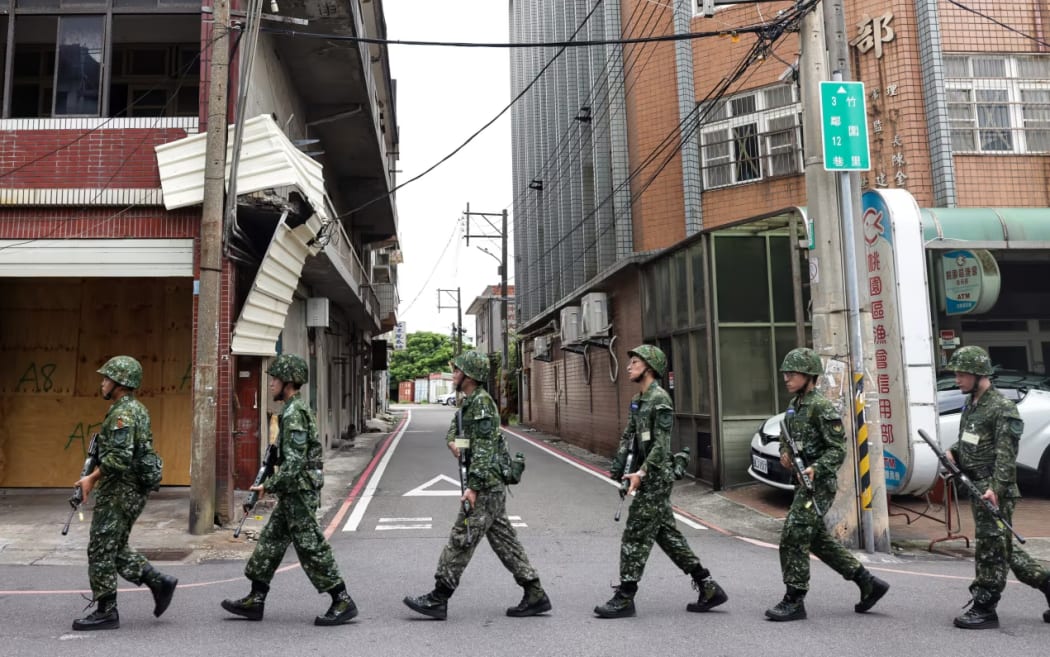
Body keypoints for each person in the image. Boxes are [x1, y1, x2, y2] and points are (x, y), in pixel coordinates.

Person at [403, 350, 551, 620]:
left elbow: (482, 451)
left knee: (462, 537)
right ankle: (535, 593)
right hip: (488, 483)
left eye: (458, 370)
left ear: (469, 375)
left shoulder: (482, 405)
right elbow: (456, 433)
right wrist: (455, 444)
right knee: (505, 541)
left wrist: (472, 487)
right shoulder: (469, 403)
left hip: (485, 484)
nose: (454, 374)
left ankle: (439, 597)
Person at [221, 353, 357, 626]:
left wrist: (266, 487)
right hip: (291, 493)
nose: (271, 383)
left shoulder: (295, 413)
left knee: (310, 547)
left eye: (275, 379)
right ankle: (255, 599)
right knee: (270, 543)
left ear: (289, 383)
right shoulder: (291, 410)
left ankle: (342, 599)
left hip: (299, 493)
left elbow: (294, 464)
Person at [594, 344, 728, 619]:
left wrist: (641, 474)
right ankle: (708, 586)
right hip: (642, 476)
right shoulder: (638, 400)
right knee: (667, 536)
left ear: (650, 367)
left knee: (635, 534)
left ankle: (626, 596)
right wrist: (620, 469)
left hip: (655, 478)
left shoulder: (660, 400)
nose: (629, 366)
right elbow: (629, 437)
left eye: (634, 362)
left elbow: (660, 446)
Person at [765, 347, 889, 622]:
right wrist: (785, 452)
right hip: (802, 484)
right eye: (785, 373)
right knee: (818, 541)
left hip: (818, 485)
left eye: (792, 373)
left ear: (809, 376)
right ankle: (868, 583)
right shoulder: (794, 407)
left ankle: (794, 598)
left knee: (793, 536)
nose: (786, 378)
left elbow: (837, 449)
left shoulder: (821, 407)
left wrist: (815, 468)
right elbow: (788, 438)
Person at [944, 345, 1050, 629]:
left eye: (962, 375)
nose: (957, 380)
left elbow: (1006, 455)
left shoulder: (1003, 408)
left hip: (994, 490)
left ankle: (985, 606)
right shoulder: (973, 403)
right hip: (977, 486)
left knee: (990, 550)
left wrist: (996, 489)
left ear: (979, 374)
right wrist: (954, 452)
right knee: (1004, 548)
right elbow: (971, 440)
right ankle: (1048, 584)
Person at [71, 355, 178, 631]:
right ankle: (158, 582)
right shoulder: (134, 408)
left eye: (107, 378)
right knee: (114, 547)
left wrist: (91, 479)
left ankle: (107, 611)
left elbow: (119, 458)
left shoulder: (123, 413)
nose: (102, 382)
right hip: (129, 489)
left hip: (121, 490)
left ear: (120, 383)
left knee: (100, 549)